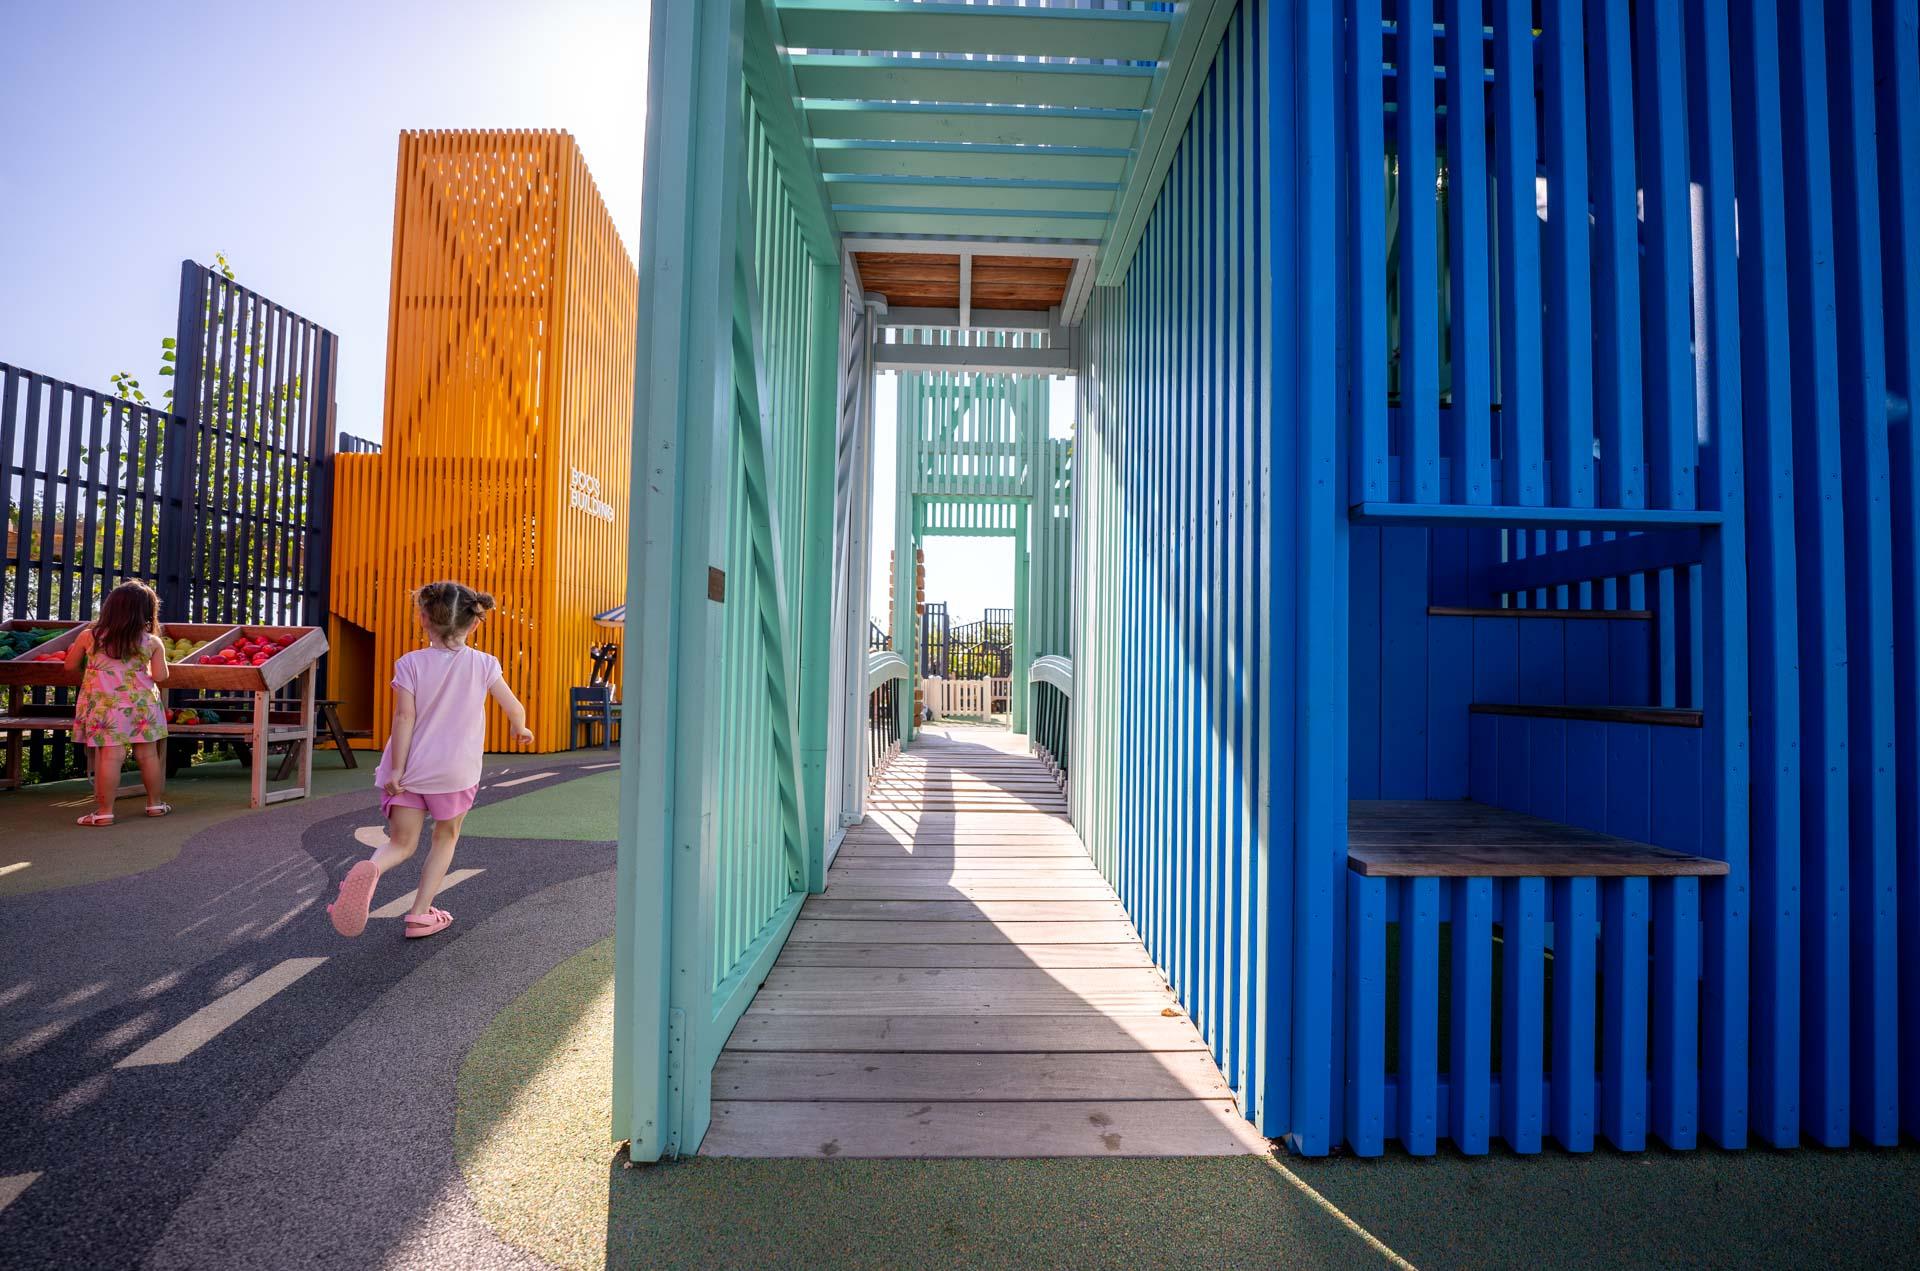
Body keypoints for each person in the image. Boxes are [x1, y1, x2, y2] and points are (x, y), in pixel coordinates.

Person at [328, 581, 532, 940]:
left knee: (400, 844)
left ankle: (372, 869)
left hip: (410, 772)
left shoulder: (409, 664)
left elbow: (404, 719)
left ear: (423, 619)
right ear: (474, 623)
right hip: (455, 772)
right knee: (445, 837)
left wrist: (396, 770)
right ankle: (420, 915)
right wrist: (520, 727)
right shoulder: (485, 664)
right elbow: (512, 705)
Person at [65, 580, 170, 826]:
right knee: (148, 756)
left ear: (110, 608)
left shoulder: (88, 636)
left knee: (110, 758)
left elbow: (69, 665)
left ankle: (104, 812)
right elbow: (161, 676)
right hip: (143, 706)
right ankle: (155, 804)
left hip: (105, 706)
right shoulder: (152, 642)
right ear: (147, 612)